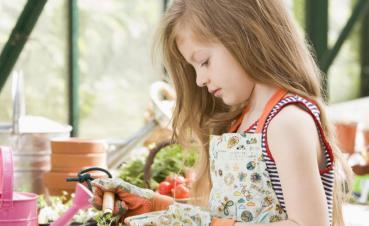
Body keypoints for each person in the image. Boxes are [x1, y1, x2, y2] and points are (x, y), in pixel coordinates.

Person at [92, 0, 352, 225]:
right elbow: (233, 216)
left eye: (203, 62)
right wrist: (156, 206)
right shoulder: (243, 122)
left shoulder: (286, 121)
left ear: (248, 37)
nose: (199, 80)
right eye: (194, 68)